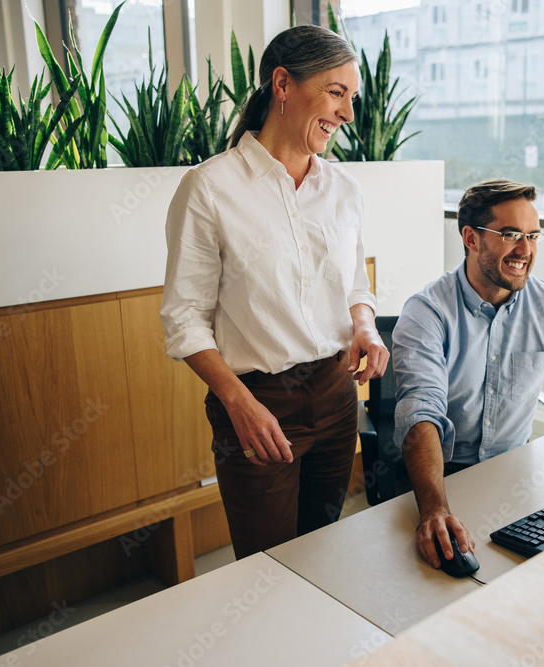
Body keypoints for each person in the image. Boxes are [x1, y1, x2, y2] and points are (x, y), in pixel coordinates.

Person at [161, 24, 388, 559]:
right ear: (282, 85)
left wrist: (364, 327)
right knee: (266, 567)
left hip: (336, 394)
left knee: (321, 549)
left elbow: (355, 282)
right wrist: (236, 402)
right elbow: (184, 317)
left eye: (351, 98)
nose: (348, 115)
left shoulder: (344, 190)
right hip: (258, 402)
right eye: (336, 93)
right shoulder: (210, 188)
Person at [392, 178, 544, 570]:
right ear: (471, 239)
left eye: (533, 235)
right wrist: (436, 509)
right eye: (511, 235)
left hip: (517, 476)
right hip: (446, 480)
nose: (525, 250)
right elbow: (421, 412)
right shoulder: (427, 313)